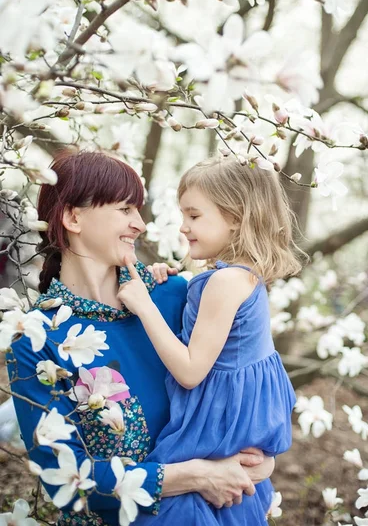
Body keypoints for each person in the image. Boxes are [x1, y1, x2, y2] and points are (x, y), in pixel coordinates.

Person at [6, 150, 274, 526]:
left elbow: (241, 388)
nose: (141, 225)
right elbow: (69, 485)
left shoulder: (175, 296)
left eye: (139, 210)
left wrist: (259, 457)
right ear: (72, 217)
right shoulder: (37, 339)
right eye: (125, 209)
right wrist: (196, 475)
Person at [118, 156, 301, 525]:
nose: (183, 227)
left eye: (194, 216)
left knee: (155, 501)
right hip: (235, 431)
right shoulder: (240, 276)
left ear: (235, 218)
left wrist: (142, 305)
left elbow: (190, 371)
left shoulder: (224, 282)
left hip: (214, 430)